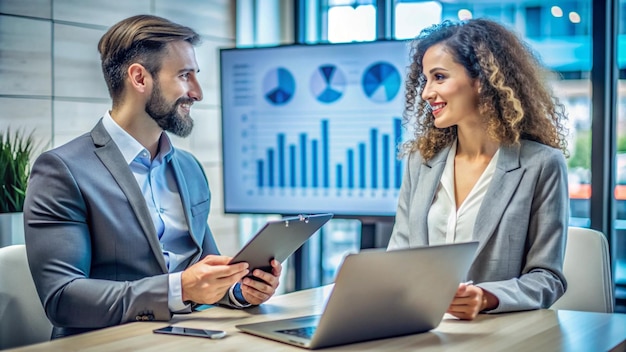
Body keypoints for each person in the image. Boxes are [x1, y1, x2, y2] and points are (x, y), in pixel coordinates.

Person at [23, 14, 282, 338]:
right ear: (140, 78)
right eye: (185, 76)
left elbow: (203, 269)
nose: (197, 93)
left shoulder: (189, 168)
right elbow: (63, 298)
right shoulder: (62, 171)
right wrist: (179, 289)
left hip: (192, 338)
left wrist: (238, 290)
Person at [387, 18, 569, 320]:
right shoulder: (421, 162)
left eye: (439, 77)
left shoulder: (541, 165)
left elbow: (547, 277)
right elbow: (398, 258)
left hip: (496, 334)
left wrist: (487, 297)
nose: (426, 93)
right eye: (425, 80)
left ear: (482, 80)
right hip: (418, 329)